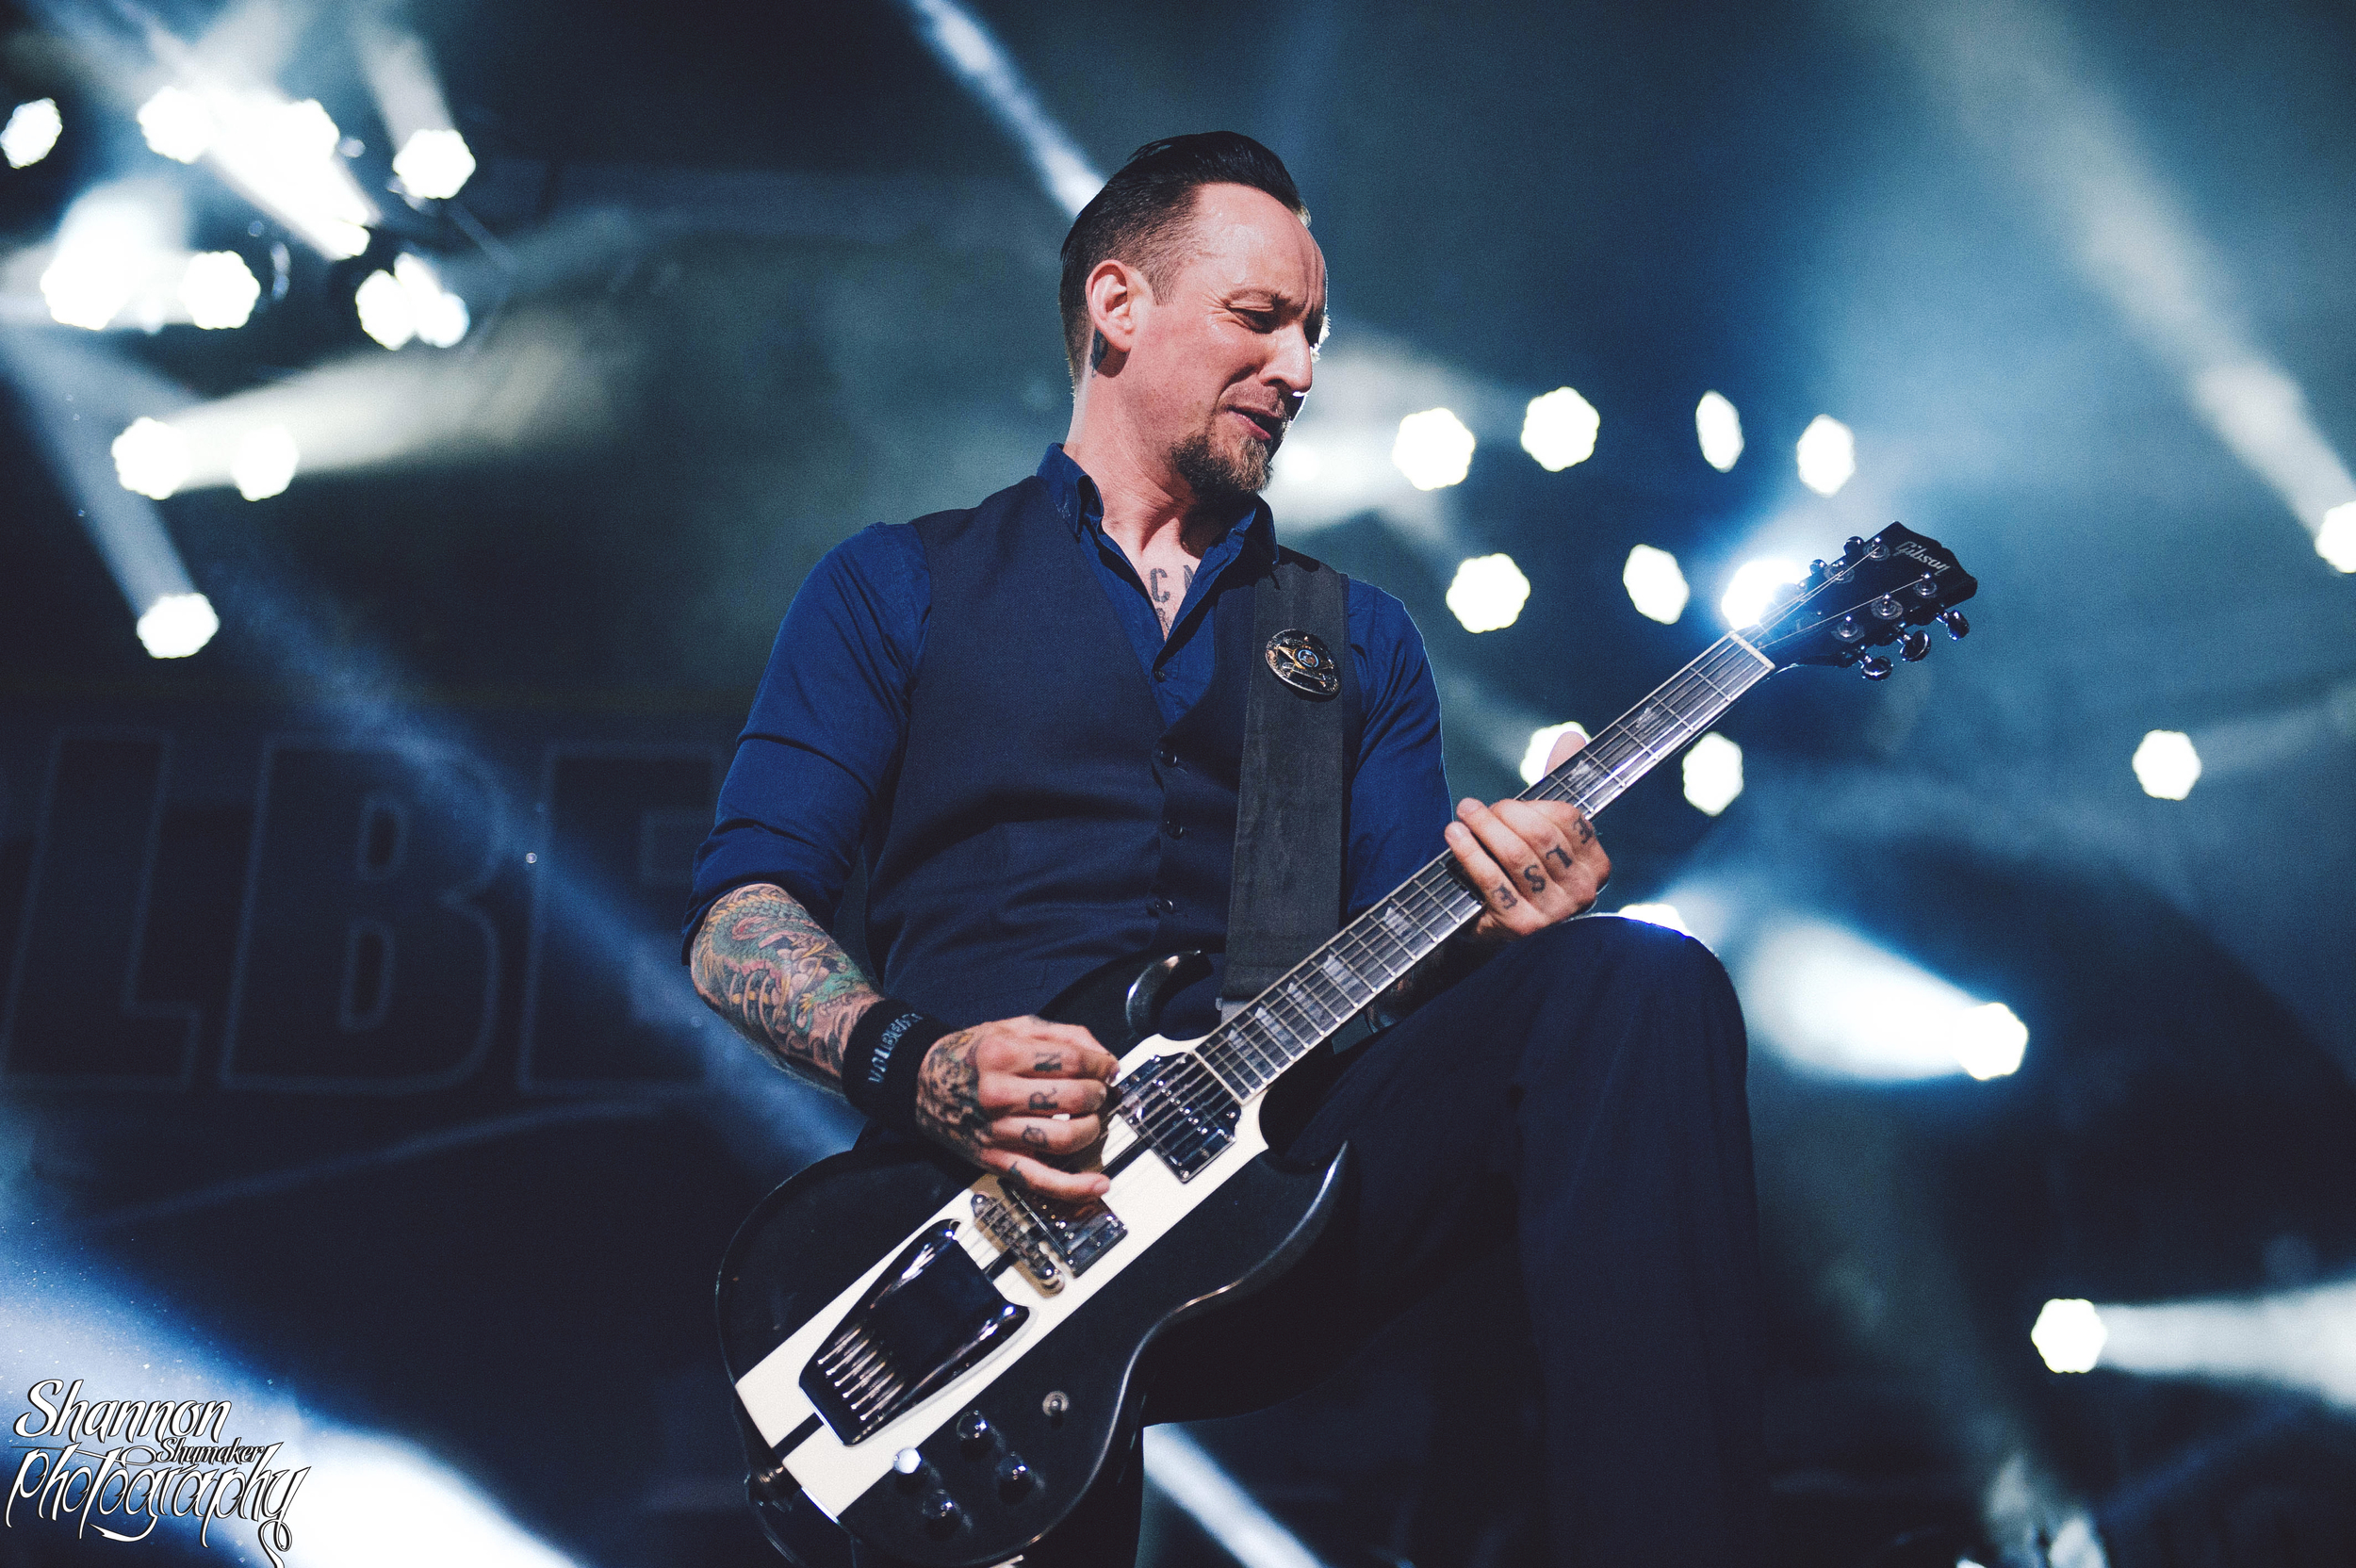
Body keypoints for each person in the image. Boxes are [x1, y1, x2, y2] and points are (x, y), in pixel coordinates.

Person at [683, 132, 1765, 1567]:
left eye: (1314, 333)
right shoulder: (901, 583)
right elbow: (739, 917)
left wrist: (1509, 918)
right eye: (1260, 318)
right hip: (990, 1220)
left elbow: (1401, 978)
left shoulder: (1352, 636)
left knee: (1633, 986)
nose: (1301, 369)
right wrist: (921, 1063)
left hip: (1281, 1179)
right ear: (1118, 304)